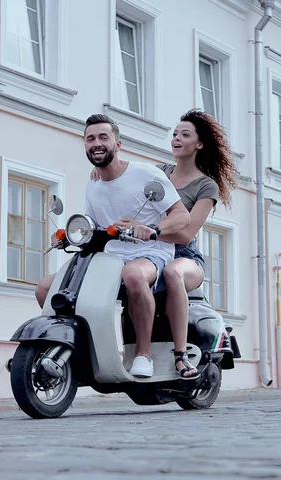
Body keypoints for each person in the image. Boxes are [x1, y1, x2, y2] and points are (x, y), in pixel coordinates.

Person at [35, 114, 190, 378]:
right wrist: (69, 236)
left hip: (150, 253)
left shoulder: (145, 174)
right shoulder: (93, 183)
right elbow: (93, 226)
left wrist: (153, 229)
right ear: (85, 145)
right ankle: (80, 350)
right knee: (46, 288)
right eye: (90, 139)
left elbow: (182, 215)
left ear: (118, 145)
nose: (96, 143)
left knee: (133, 275)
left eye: (103, 137)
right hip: (110, 259)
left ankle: (143, 355)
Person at [91, 109, 238, 379]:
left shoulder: (206, 187)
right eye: (174, 134)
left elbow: (185, 233)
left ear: (200, 143)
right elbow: (126, 181)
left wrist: (149, 232)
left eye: (185, 134)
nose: (176, 139)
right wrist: (102, 170)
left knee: (173, 273)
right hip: (144, 247)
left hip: (184, 255)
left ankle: (181, 356)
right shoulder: (158, 172)